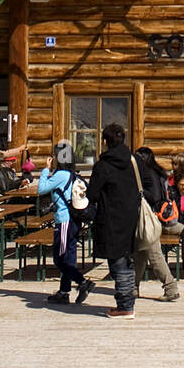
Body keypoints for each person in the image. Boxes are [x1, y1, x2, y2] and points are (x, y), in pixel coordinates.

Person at [85, 122, 141, 318]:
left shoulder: (103, 165)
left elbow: (92, 195)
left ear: (105, 141)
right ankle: (127, 302)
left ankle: (125, 306)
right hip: (131, 216)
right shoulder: (134, 161)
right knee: (126, 258)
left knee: (117, 262)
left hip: (110, 218)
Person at [39, 142, 94, 307]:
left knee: (59, 258)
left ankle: (82, 282)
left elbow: (41, 189)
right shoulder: (74, 174)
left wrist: (45, 169)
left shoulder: (60, 175)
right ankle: (64, 292)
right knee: (69, 258)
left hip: (64, 220)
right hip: (75, 220)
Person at [132, 147, 180, 301]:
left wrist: (139, 191)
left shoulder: (148, 175)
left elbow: (154, 197)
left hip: (150, 218)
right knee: (139, 253)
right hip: (150, 218)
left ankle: (170, 288)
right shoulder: (156, 172)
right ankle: (133, 287)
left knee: (154, 255)